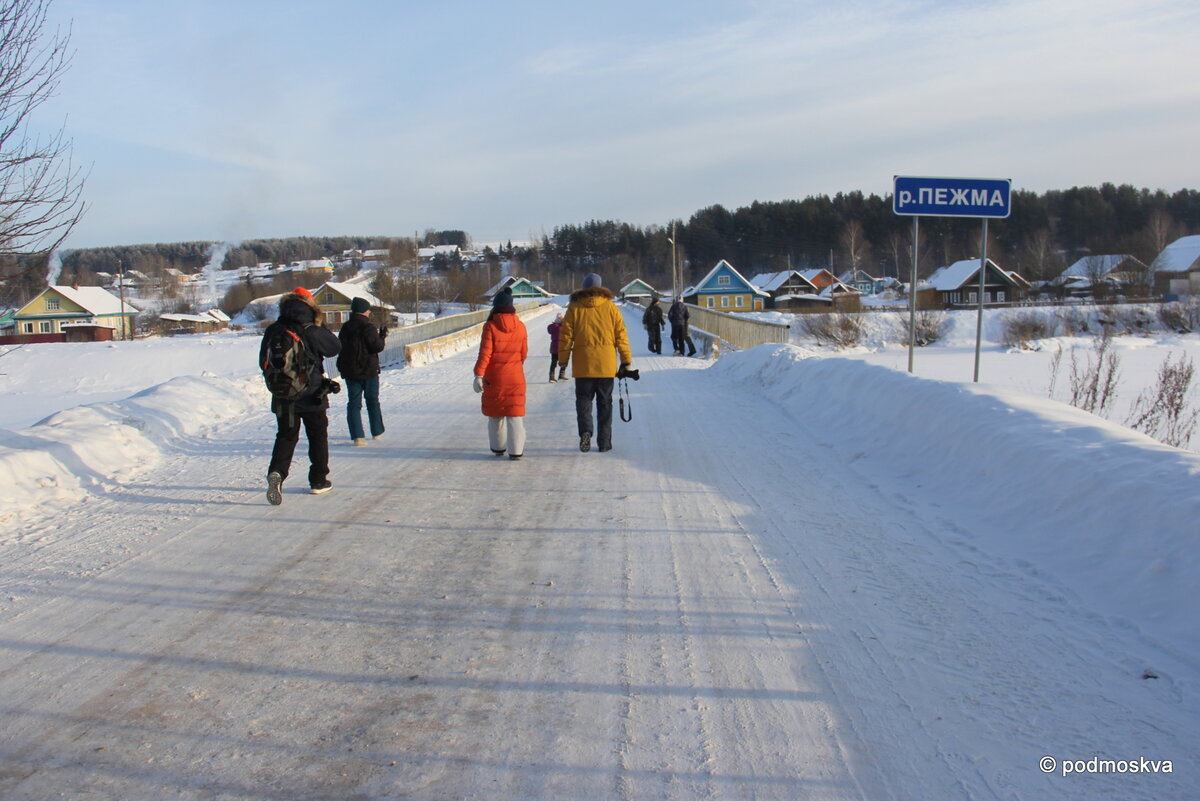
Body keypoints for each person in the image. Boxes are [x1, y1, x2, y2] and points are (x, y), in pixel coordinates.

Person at [260, 287, 341, 504]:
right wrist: (319, 326)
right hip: (312, 392)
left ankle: (277, 472)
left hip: (283, 394)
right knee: (317, 436)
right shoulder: (311, 328)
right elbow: (334, 348)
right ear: (310, 305)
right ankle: (318, 480)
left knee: (286, 435)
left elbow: (263, 362)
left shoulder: (274, 329)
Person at [558, 273, 633, 453]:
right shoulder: (611, 308)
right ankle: (604, 442)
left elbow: (565, 337)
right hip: (606, 365)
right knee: (605, 403)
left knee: (584, 401)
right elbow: (621, 336)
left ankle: (585, 431)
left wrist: (563, 361)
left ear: (584, 288)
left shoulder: (574, 308)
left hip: (583, 365)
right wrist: (626, 361)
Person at [473, 287, 529, 459]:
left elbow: (485, 354)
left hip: (495, 378)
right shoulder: (520, 326)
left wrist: (478, 375)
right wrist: (514, 366)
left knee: (496, 415)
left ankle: (498, 448)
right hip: (515, 376)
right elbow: (524, 353)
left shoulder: (490, 326)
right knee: (515, 414)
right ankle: (516, 451)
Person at [337, 296, 387, 446]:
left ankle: (358, 436)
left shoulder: (345, 327)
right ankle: (376, 431)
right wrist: (382, 337)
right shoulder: (368, 327)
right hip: (368, 370)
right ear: (365, 311)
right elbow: (376, 347)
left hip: (350, 371)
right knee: (372, 400)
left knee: (354, 403)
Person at [546, 312, 567, 382]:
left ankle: (551, 377)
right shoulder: (562, 327)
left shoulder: (553, 327)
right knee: (564, 362)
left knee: (553, 363)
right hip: (562, 347)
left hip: (554, 348)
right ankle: (561, 375)